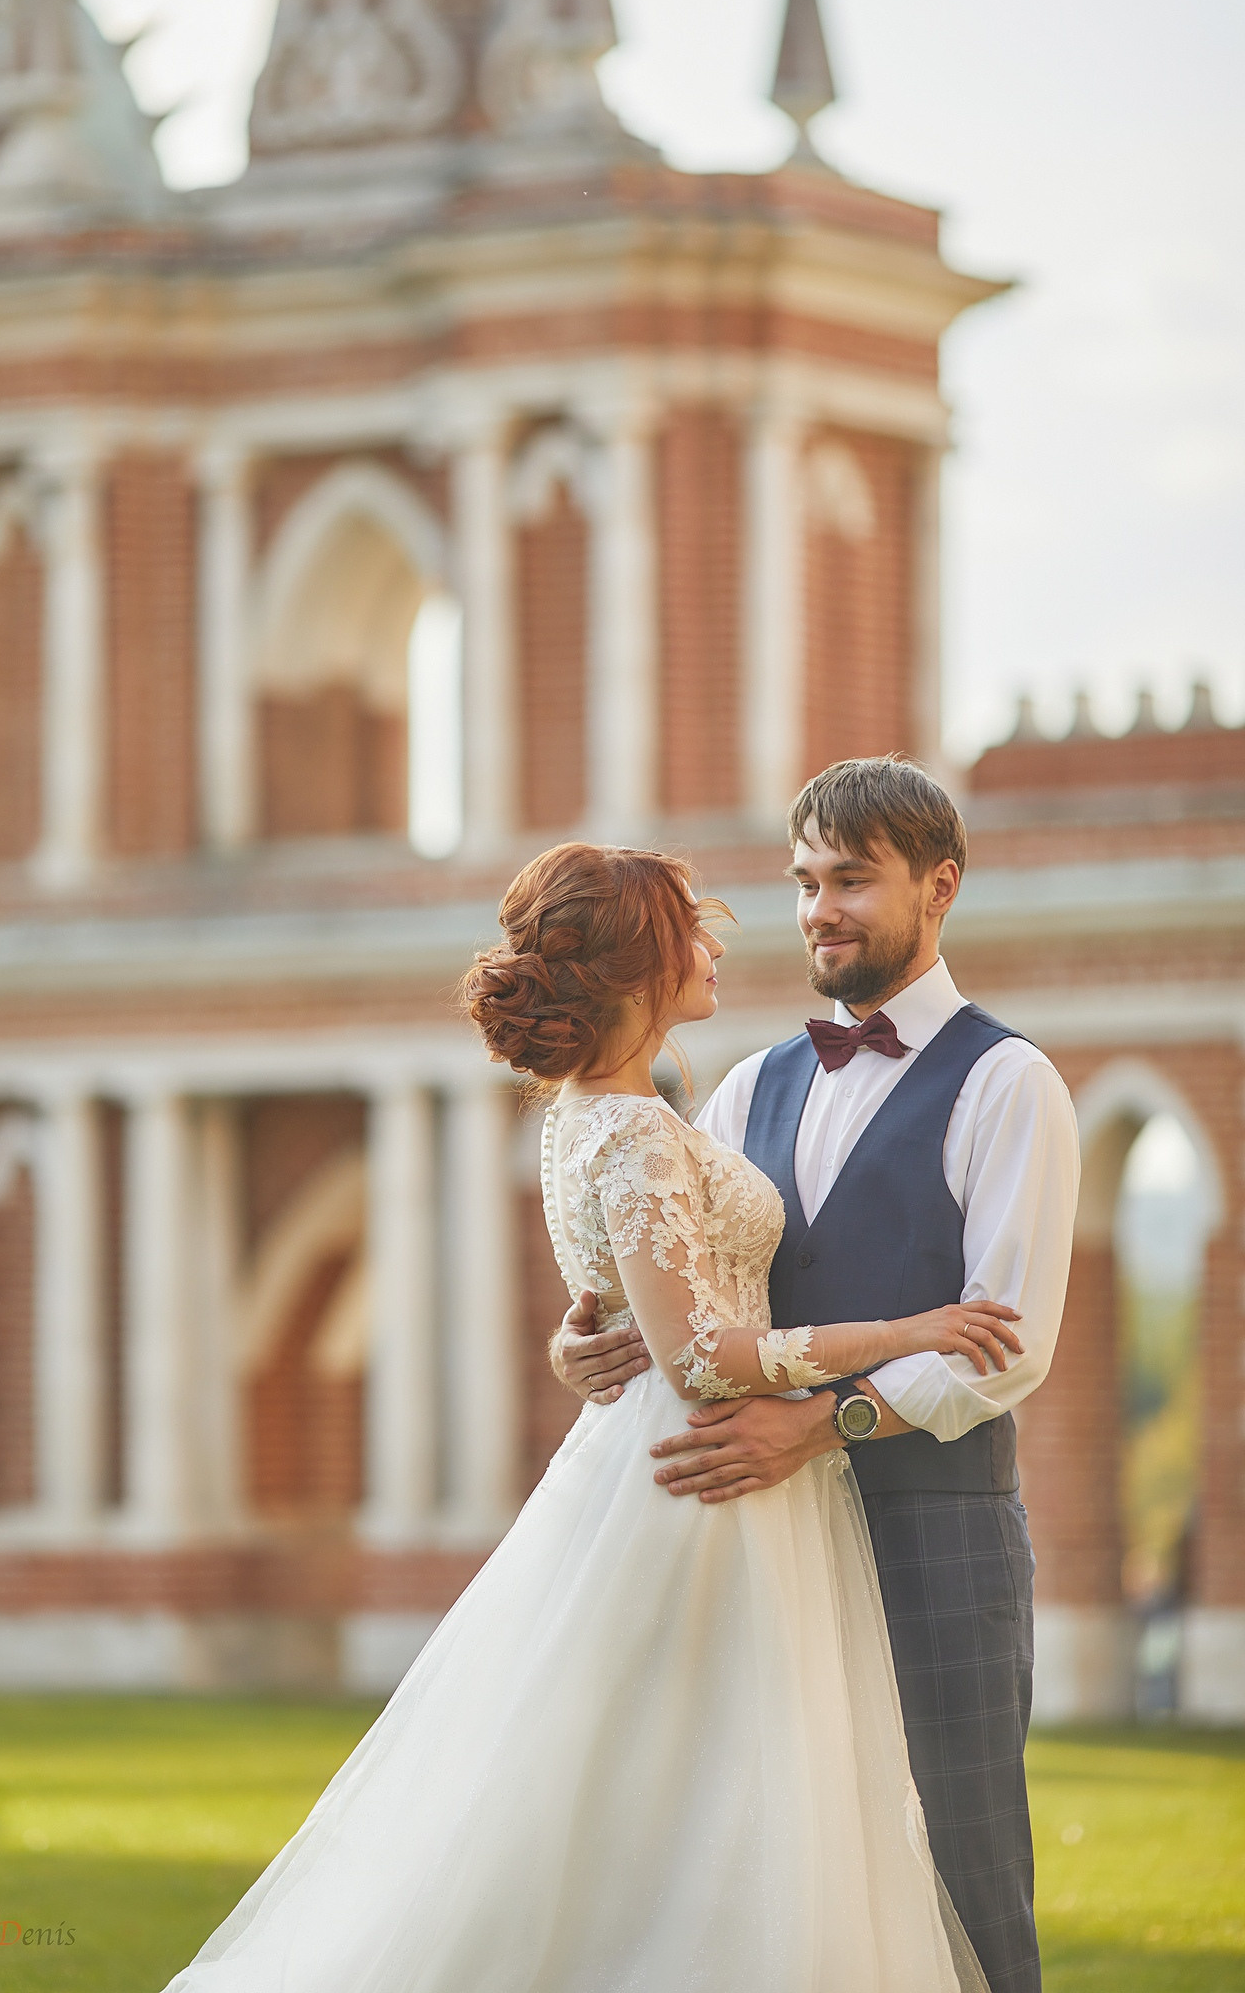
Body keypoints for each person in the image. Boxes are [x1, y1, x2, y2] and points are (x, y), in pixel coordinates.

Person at [165, 839, 1008, 1993]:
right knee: (716, 1789)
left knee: (657, 1783)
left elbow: (628, 1306)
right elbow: (706, 1358)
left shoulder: (593, 1118)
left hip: (658, 1458)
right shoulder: (640, 1129)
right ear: (633, 970)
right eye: (687, 930)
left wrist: (579, 1343)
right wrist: (912, 1330)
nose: (717, 942)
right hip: (702, 1477)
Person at [553, 758, 1080, 1993]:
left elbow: (1008, 1345)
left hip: (937, 1533)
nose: (819, 910)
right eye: (803, 882)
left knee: (964, 1865)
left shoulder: (1010, 1085)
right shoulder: (745, 1088)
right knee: (777, 1870)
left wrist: (820, 1426)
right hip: (765, 1544)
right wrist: (578, 1346)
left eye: (852, 879)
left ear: (939, 887)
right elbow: (682, 1294)